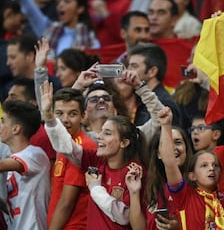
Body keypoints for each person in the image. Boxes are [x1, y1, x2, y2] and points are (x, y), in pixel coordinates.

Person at [40, 80, 149, 230]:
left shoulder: (134, 171)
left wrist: (95, 188)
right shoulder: (96, 160)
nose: (99, 136)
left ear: (124, 143)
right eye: (101, 131)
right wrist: (48, 116)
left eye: (108, 133)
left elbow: (124, 217)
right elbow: (66, 147)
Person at [157, 106, 224, 230]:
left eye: (215, 165)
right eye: (204, 165)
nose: (211, 169)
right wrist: (166, 126)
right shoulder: (185, 196)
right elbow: (170, 162)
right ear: (192, 175)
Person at [2, 0, 100, 57]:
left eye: (67, 1)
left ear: (80, 8)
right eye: (60, 2)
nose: (61, 5)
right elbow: (32, 11)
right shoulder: (50, 30)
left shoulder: (90, 39)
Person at [0, 99, 50, 230]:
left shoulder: (35, 155)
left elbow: (0, 165)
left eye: (3, 121)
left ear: (16, 129)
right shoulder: (16, 159)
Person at [46, 88, 97, 229]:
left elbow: (66, 202)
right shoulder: (64, 144)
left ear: (83, 116)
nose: (65, 120)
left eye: (72, 114)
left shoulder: (83, 147)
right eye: (59, 114)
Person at [145, 126, 194, 230]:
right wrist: (134, 193)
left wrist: (179, 227)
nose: (172, 148)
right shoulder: (150, 185)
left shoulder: (197, 182)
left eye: (178, 142)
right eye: (166, 144)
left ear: (186, 148)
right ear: (158, 153)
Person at [127, 42, 182, 126]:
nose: (128, 71)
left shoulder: (164, 104)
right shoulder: (136, 99)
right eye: (128, 66)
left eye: (134, 66)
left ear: (152, 71)